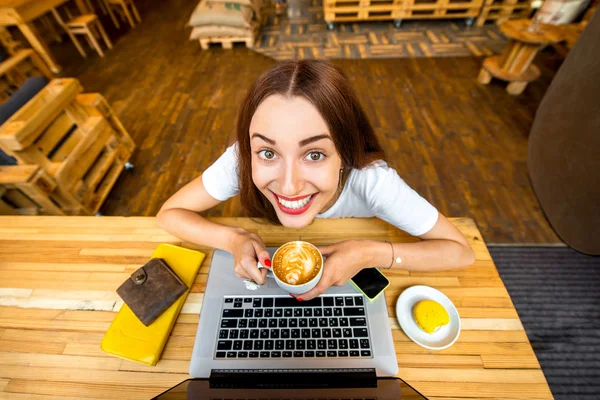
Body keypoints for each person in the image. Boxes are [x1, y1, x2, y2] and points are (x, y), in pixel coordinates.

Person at [157, 60, 475, 301]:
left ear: (345, 151)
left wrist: (371, 253)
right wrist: (232, 240)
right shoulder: (241, 157)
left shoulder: (374, 181)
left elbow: (461, 252)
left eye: (314, 154)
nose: (290, 186)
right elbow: (169, 215)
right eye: (268, 152)